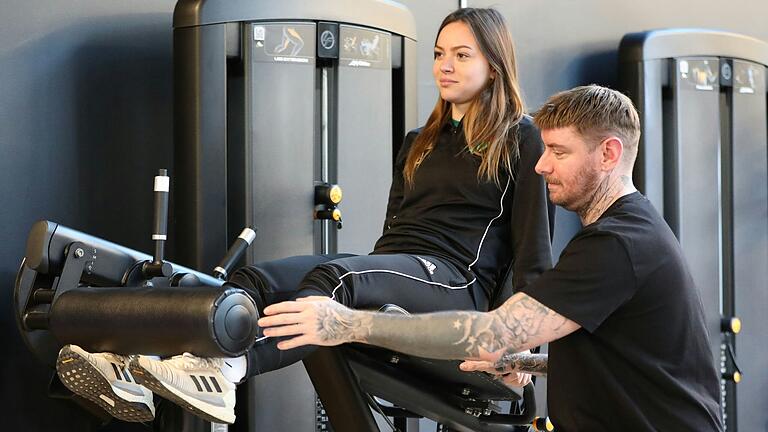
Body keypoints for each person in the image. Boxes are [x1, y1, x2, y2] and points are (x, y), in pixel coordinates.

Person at [56, 7, 554, 424]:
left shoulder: (522, 138)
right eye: (439, 54)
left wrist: (526, 348)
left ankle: (228, 374)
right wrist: (373, 290)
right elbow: (389, 243)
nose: (445, 65)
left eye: (461, 55)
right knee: (257, 276)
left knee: (333, 281)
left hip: (455, 282)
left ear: (495, 63)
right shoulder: (417, 143)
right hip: (402, 266)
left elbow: (533, 255)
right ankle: (151, 365)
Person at [260, 85, 725, 431]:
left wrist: (345, 323)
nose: (541, 166)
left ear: (609, 153)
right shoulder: (623, 231)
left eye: (559, 152)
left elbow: (488, 333)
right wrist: (533, 363)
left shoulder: (619, 243)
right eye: (544, 150)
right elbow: (629, 359)